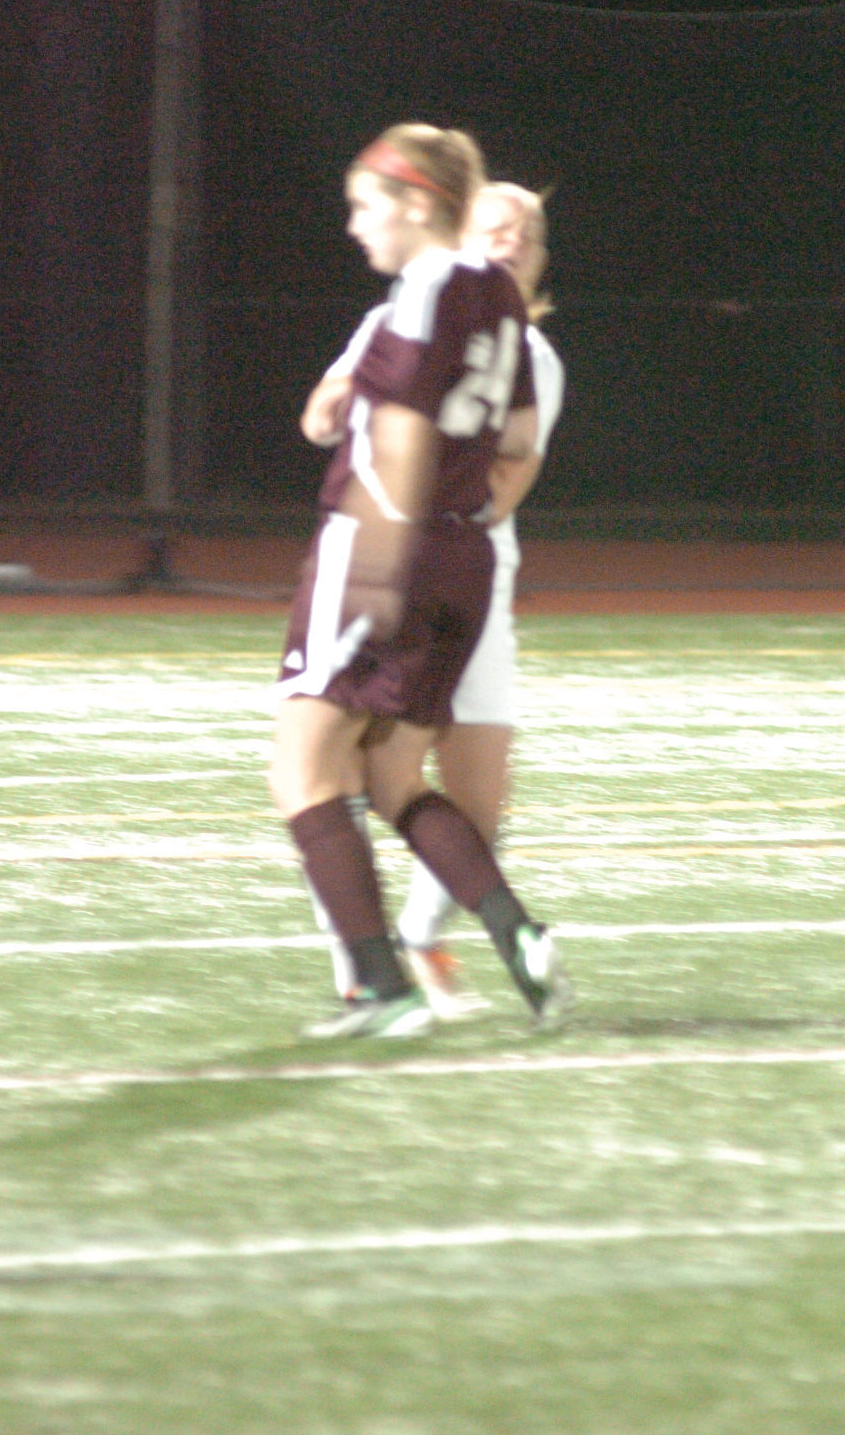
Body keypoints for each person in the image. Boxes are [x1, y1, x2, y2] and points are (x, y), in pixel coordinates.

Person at [270, 125, 573, 1040]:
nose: (355, 226)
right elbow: (517, 446)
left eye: (365, 206)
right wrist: (450, 524)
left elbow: (398, 428)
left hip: (382, 547)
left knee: (302, 769)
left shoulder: (429, 284)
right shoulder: (502, 304)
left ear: (415, 203)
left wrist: (381, 550)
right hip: (464, 556)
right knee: (392, 773)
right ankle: (513, 930)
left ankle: (379, 986)